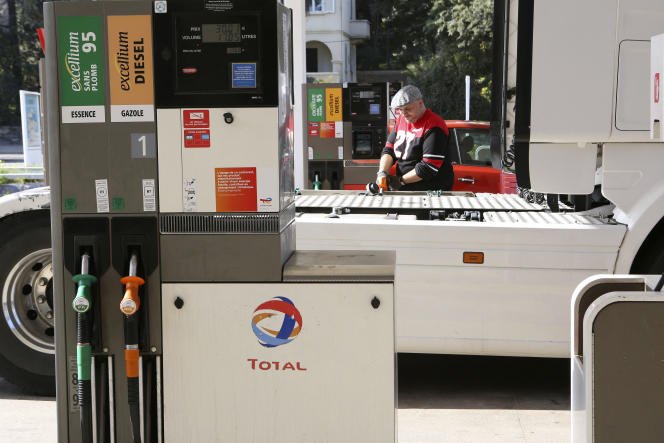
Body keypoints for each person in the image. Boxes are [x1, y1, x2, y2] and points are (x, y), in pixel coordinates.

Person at [376, 85, 453, 191]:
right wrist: (382, 173)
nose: (404, 114)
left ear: (420, 103)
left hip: (430, 192)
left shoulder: (434, 126)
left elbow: (428, 167)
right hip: (406, 188)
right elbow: (389, 150)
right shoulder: (401, 120)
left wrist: (400, 181)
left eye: (408, 108)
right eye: (400, 110)